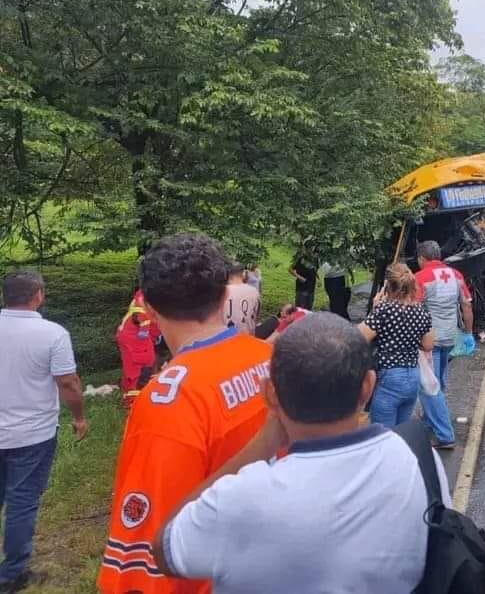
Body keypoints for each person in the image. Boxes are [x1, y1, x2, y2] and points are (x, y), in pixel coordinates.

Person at [151, 314, 449, 594]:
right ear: (368, 387)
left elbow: (165, 549)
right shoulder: (418, 460)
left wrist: (261, 445)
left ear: (269, 394)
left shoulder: (242, 499)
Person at [98, 234, 272, 594]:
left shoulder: (168, 401)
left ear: (146, 309)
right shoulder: (266, 359)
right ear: (225, 296)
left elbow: (146, 547)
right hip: (261, 562)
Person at [0, 271, 87, 592]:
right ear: (38, 294)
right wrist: (79, 417)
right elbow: (68, 382)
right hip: (32, 435)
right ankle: (12, 574)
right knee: (22, 501)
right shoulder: (52, 334)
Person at [414, 241, 474, 450]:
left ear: (422, 258)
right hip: (450, 337)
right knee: (438, 381)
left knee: (430, 387)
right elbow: (466, 306)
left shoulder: (420, 278)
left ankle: (443, 434)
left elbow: (413, 309)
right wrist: (468, 333)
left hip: (430, 340)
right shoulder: (456, 275)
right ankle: (431, 421)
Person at [361, 264, 435, 427]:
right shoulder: (421, 312)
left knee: (383, 435)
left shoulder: (384, 310)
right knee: (401, 433)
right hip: (412, 376)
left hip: (390, 376)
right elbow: (428, 345)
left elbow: (358, 337)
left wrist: (375, 308)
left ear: (387, 286)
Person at [115, 288, 163, 408]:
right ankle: (138, 403)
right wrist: (144, 330)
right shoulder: (150, 292)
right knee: (143, 367)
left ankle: (132, 399)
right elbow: (140, 312)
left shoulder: (149, 290)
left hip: (133, 336)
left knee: (133, 368)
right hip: (137, 337)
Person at [223, 262, 261, 334]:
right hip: (247, 338)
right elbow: (256, 316)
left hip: (223, 339)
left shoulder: (221, 292)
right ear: (243, 274)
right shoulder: (254, 292)